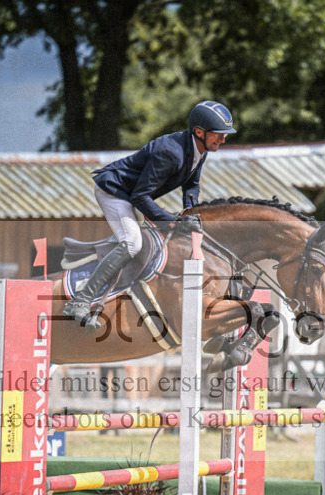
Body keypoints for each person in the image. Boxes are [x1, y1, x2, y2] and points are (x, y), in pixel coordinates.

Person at [62, 100, 237, 331]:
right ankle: (81, 302)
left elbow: (192, 185)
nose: (223, 139)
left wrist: (191, 214)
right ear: (199, 132)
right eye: (219, 134)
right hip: (114, 192)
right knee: (132, 243)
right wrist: (175, 221)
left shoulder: (199, 150)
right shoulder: (171, 153)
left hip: (132, 194)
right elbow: (140, 197)